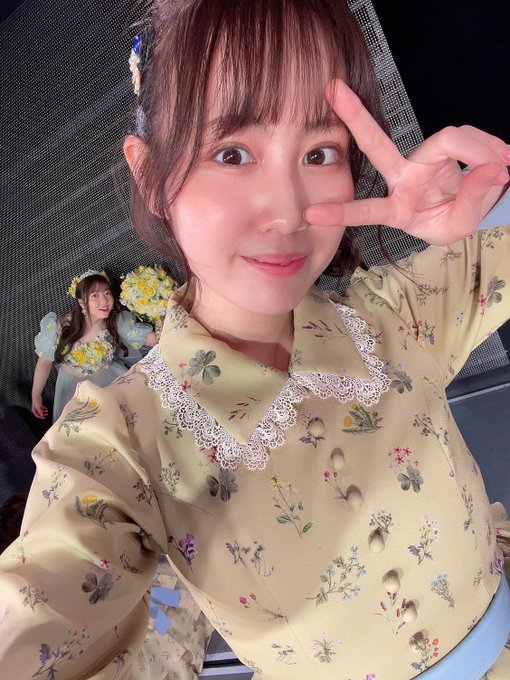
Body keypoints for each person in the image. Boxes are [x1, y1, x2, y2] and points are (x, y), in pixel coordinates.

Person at [1, 1, 510, 678]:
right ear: (150, 175)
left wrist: (489, 191)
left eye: (319, 152)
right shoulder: (117, 446)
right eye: (232, 153)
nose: (287, 210)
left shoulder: (391, 318)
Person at [31, 270, 158, 422]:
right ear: (81, 302)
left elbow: (148, 338)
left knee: (131, 417)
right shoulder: (63, 326)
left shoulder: (115, 322)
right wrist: (36, 395)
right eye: (95, 296)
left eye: (107, 293)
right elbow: (45, 362)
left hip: (110, 380)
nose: (104, 301)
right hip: (74, 388)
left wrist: (161, 318)